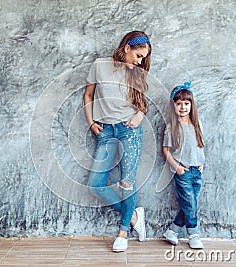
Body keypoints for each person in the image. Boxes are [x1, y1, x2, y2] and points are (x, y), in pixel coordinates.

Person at [83, 31, 152, 252]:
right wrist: (91, 122)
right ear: (126, 48)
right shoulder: (99, 65)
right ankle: (133, 216)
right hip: (104, 132)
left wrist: (139, 116)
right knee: (95, 184)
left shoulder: (137, 72)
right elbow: (88, 95)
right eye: (139, 55)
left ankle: (123, 232)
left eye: (143, 58)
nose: (140, 61)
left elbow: (142, 103)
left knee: (127, 183)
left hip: (129, 131)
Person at [162, 81, 205, 249]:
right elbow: (165, 150)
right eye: (179, 104)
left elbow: (200, 144)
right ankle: (193, 234)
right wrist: (177, 167)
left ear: (191, 105)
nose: (183, 107)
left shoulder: (196, 125)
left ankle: (172, 230)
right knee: (190, 204)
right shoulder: (172, 127)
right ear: (174, 106)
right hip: (183, 171)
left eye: (186, 104)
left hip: (197, 171)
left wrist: (202, 162)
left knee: (190, 204)